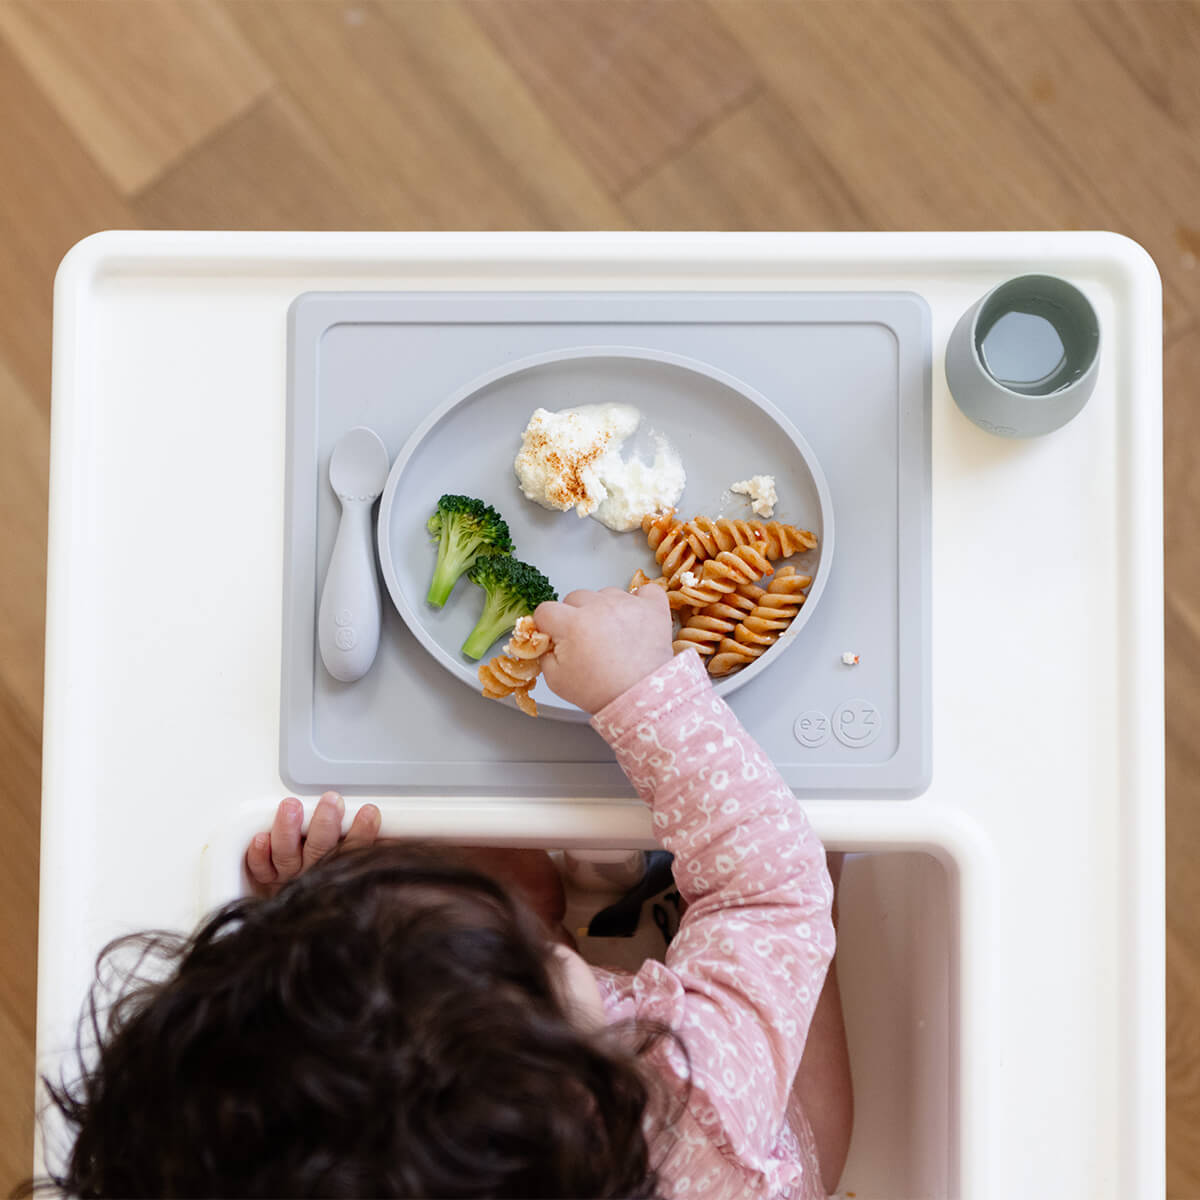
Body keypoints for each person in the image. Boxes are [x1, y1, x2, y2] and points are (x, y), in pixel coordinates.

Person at [31, 586, 853, 1199]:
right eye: (531, 955)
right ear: (586, 1093)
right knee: (814, 879)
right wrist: (645, 692)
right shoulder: (688, 1103)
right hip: (758, 1138)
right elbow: (770, 889)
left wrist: (317, 908)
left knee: (492, 877)